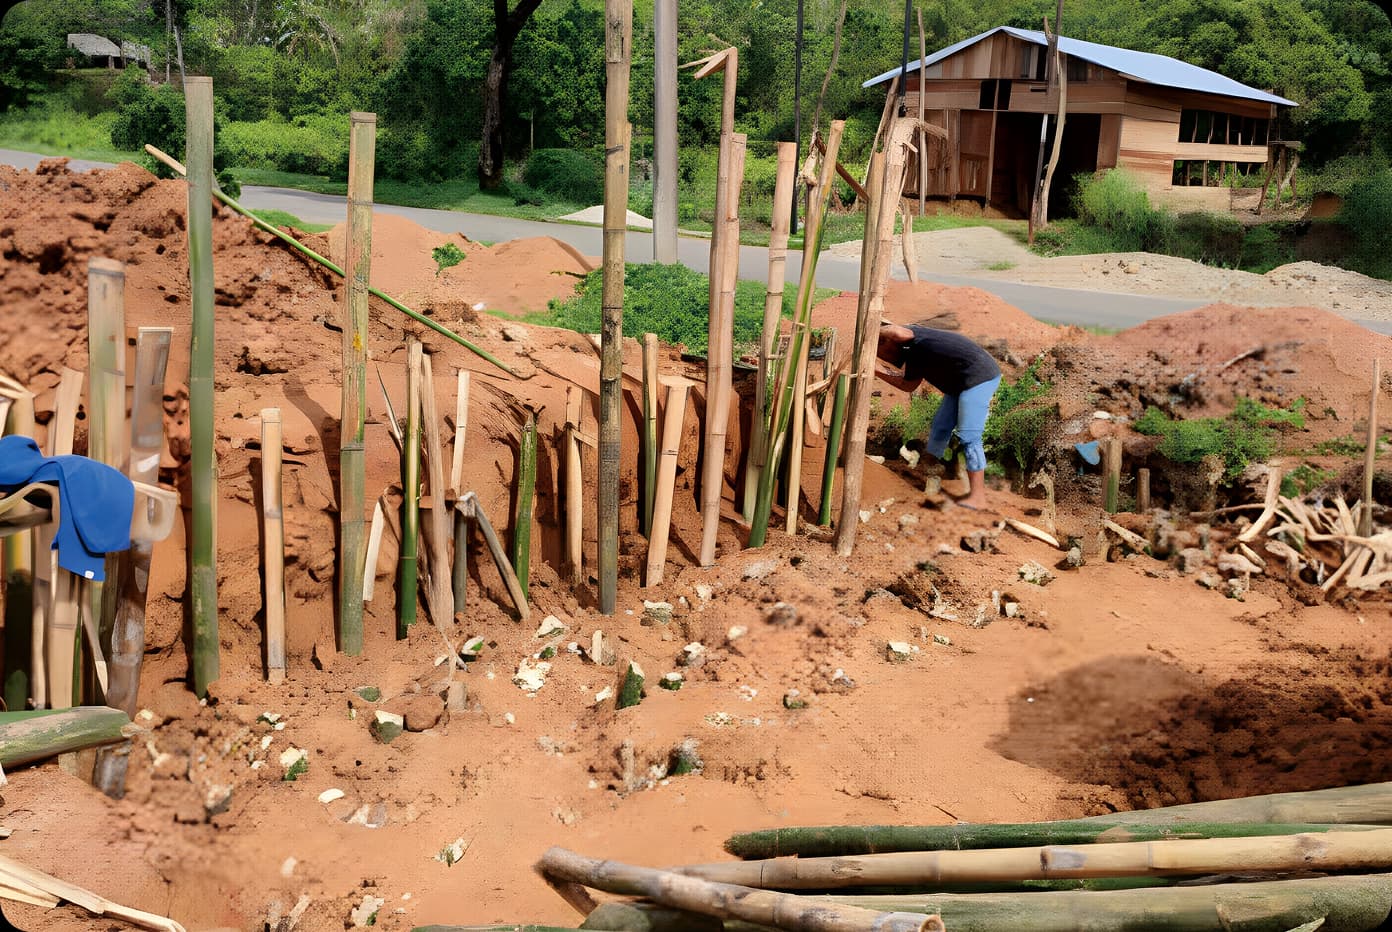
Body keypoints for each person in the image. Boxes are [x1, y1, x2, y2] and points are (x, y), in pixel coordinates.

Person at [874, 321, 1002, 510]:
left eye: (878, 351)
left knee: (970, 437)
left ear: (887, 341)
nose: (882, 357)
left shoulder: (913, 337)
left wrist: (874, 330)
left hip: (980, 378)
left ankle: (978, 497)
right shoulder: (914, 351)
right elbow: (907, 385)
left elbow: (900, 333)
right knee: (940, 427)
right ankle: (932, 470)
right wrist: (875, 369)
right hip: (959, 382)